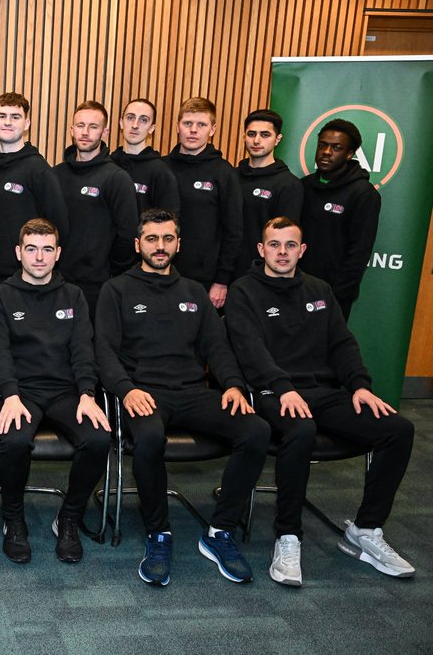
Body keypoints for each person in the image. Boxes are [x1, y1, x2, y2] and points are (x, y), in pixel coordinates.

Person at [225, 217, 415, 586]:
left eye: (290, 245)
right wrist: (282, 387)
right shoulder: (243, 291)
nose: (282, 252)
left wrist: (359, 385)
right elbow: (250, 351)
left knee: (398, 430)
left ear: (302, 250)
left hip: (323, 392)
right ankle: (288, 536)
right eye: (275, 245)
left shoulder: (320, 289)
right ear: (261, 249)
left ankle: (365, 530)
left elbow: (341, 344)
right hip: (271, 391)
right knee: (301, 430)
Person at [95, 208, 269, 586]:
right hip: (143, 393)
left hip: (192, 393)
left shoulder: (193, 292)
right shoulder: (117, 289)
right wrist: (125, 389)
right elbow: (104, 351)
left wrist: (235, 385)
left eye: (168, 239)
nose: (160, 246)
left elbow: (217, 348)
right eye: (153, 239)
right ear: (138, 243)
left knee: (255, 430)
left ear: (178, 244)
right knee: (150, 438)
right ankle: (159, 534)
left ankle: (220, 531)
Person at [0, 218, 110, 565]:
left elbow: (84, 349)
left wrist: (88, 392)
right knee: (14, 440)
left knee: (98, 438)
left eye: (47, 249)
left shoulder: (73, 296)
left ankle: (68, 517)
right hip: (19, 392)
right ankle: (14, 519)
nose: (39, 257)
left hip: (66, 392)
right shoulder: (1, 296)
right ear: (18, 253)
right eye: (31, 249)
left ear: (58, 254)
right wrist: (9, 393)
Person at [52, 101, 138, 314]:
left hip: (96, 285)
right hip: (55, 280)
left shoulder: (116, 178)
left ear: (105, 131)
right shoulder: (55, 175)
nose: (85, 132)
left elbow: (127, 234)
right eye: (80, 126)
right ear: (72, 130)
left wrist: (110, 272)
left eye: (93, 126)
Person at [0, 92, 68, 301]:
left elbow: (59, 226)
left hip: (26, 278)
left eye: (15, 116)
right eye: (2, 116)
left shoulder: (39, 170)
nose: (8, 122)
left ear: (27, 123)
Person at [298, 119, 380, 319]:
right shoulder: (302, 186)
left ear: (349, 154)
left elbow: (359, 252)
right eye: (322, 145)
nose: (326, 152)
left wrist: (337, 295)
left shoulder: (363, 193)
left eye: (336, 148)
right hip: (294, 287)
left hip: (333, 295)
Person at [165, 97, 242, 308]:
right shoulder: (161, 168)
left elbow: (233, 231)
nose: (193, 130)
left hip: (205, 280)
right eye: (187, 123)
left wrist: (221, 281)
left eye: (201, 124)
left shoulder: (224, 173)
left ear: (212, 129)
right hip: (161, 272)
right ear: (178, 125)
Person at [234, 109, 302, 276]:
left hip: (262, 276)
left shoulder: (289, 184)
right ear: (244, 136)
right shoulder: (230, 176)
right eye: (251, 134)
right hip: (224, 273)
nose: (256, 140)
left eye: (265, 135)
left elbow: (285, 239)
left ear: (277, 139)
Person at [110, 98, 179, 214]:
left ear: (151, 128)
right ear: (121, 123)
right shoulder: (108, 164)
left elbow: (168, 221)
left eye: (143, 120)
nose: (135, 125)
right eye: (130, 118)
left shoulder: (161, 171)